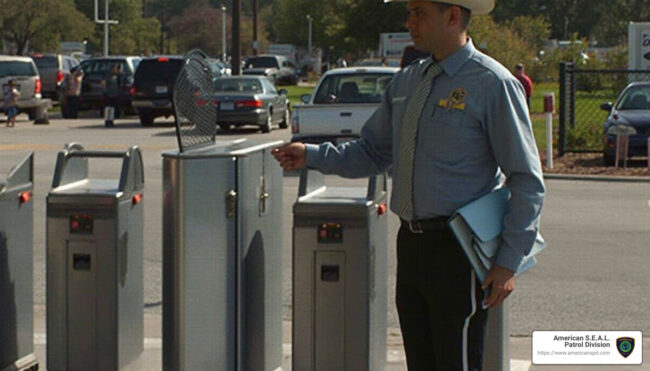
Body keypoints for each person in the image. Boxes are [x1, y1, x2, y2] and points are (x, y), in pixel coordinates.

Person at [272, 0, 545, 369]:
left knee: (457, 360)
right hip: (411, 244)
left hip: (459, 250)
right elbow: (372, 153)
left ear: (452, 15)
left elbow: (526, 179)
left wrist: (508, 263)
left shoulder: (492, 83)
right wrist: (312, 155)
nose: (409, 21)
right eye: (409, 11)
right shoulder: (407, 82)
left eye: (419, 12)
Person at [104, 63, 123, 127]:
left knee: (113, 109)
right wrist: (105, 92)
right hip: (109, 94)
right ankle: (107, 120)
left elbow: (121, 82)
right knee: (108, 108)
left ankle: (111, 120)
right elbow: (105, 85)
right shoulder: (108, 76)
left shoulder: (118, 76)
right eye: (114, 68)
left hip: (116, 94)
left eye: (116, 68)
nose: (115, 69)